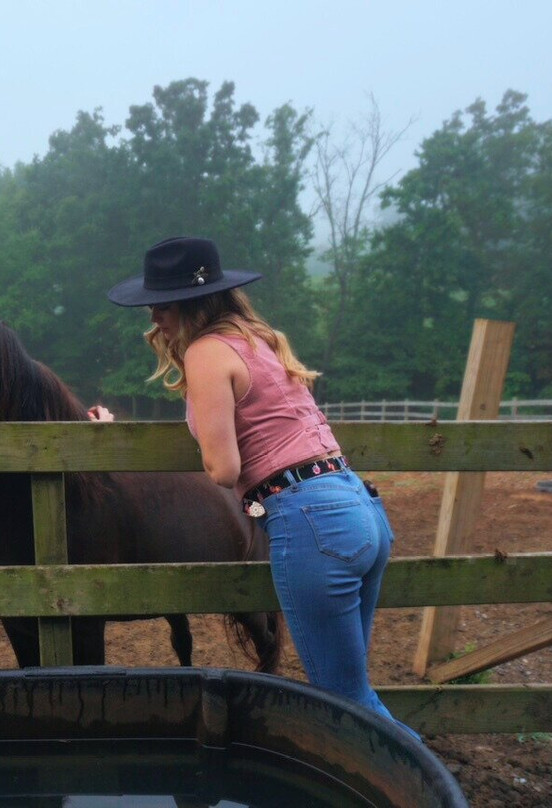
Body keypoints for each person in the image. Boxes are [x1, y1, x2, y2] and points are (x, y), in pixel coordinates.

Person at [98, 235, 420, 740]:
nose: (154, 317)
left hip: (314, 524)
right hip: (359, 508)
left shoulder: (206, 352)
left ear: (191, 303)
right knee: (356, 694)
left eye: (161, 304)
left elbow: (223, 469)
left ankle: (422, 788)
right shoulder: (259, 340)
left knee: (346, 703)